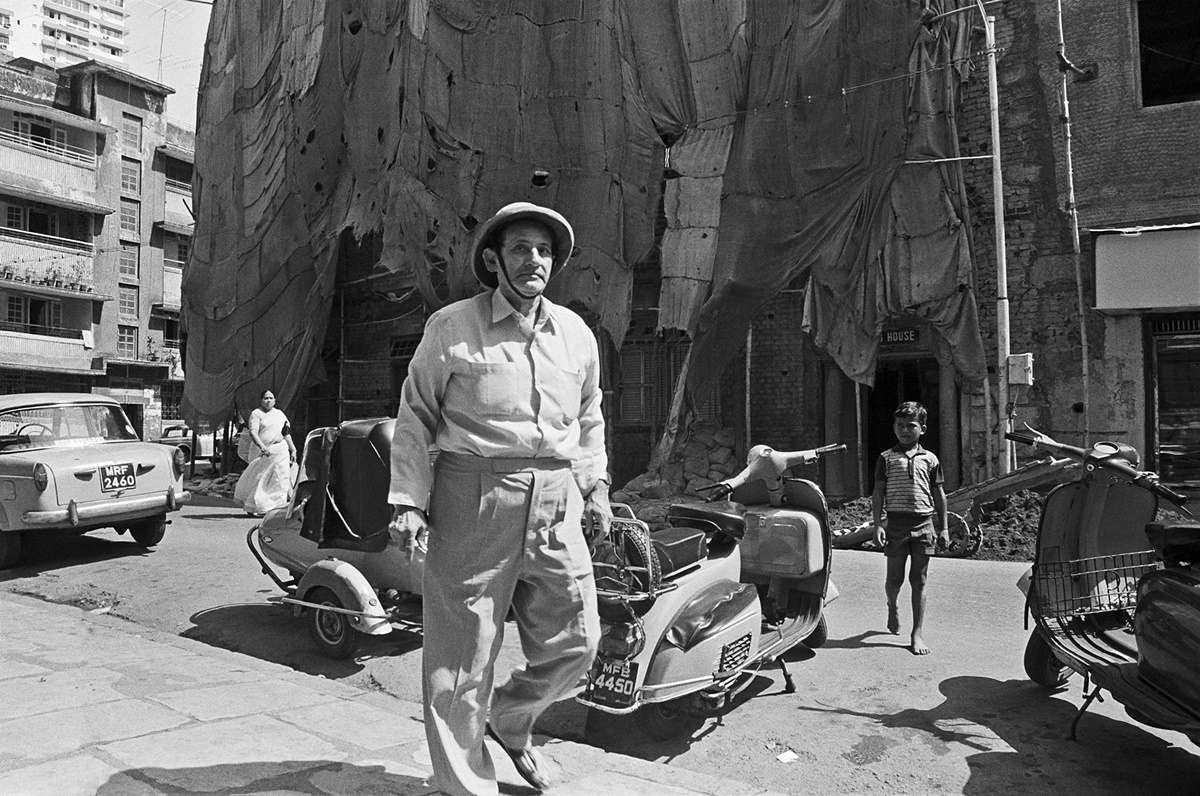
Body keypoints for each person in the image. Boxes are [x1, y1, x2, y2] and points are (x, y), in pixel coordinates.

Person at [388, 201, 611, 796]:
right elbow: (414, 418)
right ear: (494, 260)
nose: (533, 260)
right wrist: (409, 501)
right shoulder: (452, 327)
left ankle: (510, 718)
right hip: (474, 494)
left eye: (544, 251)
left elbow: (589, 418)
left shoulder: (576, 334)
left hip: (558, 497)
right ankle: (466, 786)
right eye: (520, 249)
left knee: (581, 640)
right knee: (462, 658)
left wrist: (598, 487)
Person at [872, 401, 949, 655]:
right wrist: (877, 525)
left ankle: (917, 633)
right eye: (900, 425)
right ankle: (892, 604)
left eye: (911, 425)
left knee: (920, 580)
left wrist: (944, 528)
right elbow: (878, 493)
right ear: (894, 428)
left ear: (922, 429)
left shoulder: (931, 459)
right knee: (895, 579)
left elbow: (939, 495)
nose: (905, 430)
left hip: (924, 524)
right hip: (895, 524)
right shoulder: (886, 458)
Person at [234, 389, 296, 516]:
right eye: (266, 398)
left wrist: (293, 449)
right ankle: (255, 506)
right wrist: (262, 447)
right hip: (264, 451)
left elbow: (286, 433)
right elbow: (253, 432)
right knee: (260, 479)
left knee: (280, 478)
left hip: (280, 450)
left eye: (271, 398)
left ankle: (275, 509)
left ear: (275, 401)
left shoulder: (279, 414)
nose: (268, 401)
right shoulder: (257, 414)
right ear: (261, 401)